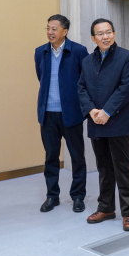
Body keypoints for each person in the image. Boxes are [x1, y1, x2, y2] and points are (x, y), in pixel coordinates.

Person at [78, 18, 129, 232]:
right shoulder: (87, 61)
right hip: (96, 122)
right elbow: (81, 88)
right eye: (100, 33)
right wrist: (92, 111)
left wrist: (107, 112)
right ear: (93, 38)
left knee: (123, 168)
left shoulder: (125, 57)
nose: (105, 36)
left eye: (109, 32)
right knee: (104, 168)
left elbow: (126, 88)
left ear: (113, 33)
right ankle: (106, 208)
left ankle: (128, 212)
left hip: (118, 122)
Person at [34, 15, 89, 213]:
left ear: (65, 31)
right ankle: (52, 196)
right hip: (48, 114)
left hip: (71, 113)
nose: (50, 32)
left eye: (54, 29)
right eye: (48, 28)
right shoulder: (40, 52)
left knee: (77, 157)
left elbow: (85, 80)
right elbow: (41, 77)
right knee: (51, 157)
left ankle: (78, 197)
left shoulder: (79, 51)